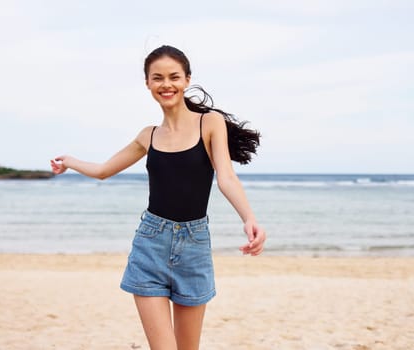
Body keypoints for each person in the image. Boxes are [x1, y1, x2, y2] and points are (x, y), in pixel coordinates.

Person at [50, 45, 266, 350]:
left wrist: (249, 218)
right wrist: (70, 161)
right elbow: (102, 171)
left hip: (194, 246)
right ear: (148, 84)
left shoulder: (210, 123)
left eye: (174, 77)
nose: (167, 84)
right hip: (150, 244)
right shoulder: (147, 135)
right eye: (158, 78)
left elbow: (226, 177)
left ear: (187, 79)